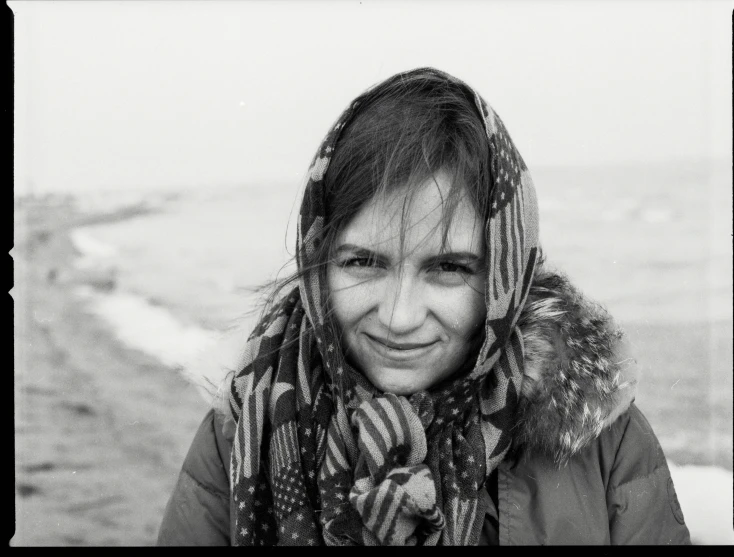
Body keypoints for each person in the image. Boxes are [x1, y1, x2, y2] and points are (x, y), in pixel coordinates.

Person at [156, 67, 691, 545]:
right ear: (319, 260)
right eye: (363, 262)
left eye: (450, 268)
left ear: (502, 277)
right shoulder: (247, 429)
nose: (399, 317)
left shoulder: (600, 441)